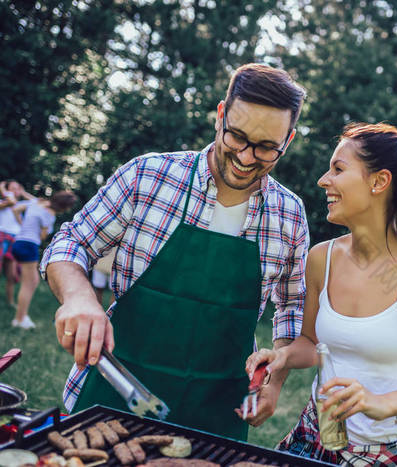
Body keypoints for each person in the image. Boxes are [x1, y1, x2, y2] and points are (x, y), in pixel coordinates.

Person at [40, 63, 309, 440]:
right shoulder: (147, 176)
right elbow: (71, 243)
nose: (246, 158)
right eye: (236, 136)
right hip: (116, 393)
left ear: (289, 140)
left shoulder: (289, 215)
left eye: (266, 147)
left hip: (217, 411)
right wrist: (79, 298)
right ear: (220, 115)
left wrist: (275, 381)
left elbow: (293, 306)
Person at [245, 123, 397, 465]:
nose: (323, 180)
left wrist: (385, 402)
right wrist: (283, 358)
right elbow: (310, 342)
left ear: (378, 182)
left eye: (338, 169)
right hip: (311, 438)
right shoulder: (322, 258)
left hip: (384, 454)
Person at [11, 191, 77, 329]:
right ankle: (19, 319)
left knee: (31, 281)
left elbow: (16, 209)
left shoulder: (37, 202)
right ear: (63, 207)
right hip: (29, 244)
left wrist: (22, 223)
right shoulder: (50, 214)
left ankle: (21, 315)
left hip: (18, 242)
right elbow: (42, 236)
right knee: (29, 283)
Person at [0, 180, 36, 309]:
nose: (15, 191)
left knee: (12, 275)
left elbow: (37, 203)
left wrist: (24, 193)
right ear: (6, 191)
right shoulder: (3, 203)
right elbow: (11, 202)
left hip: (15, 241)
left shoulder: (20, 206)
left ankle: (10, 302)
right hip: (2, 238)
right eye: (12, 188)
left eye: (17, 188)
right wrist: (2, 190)